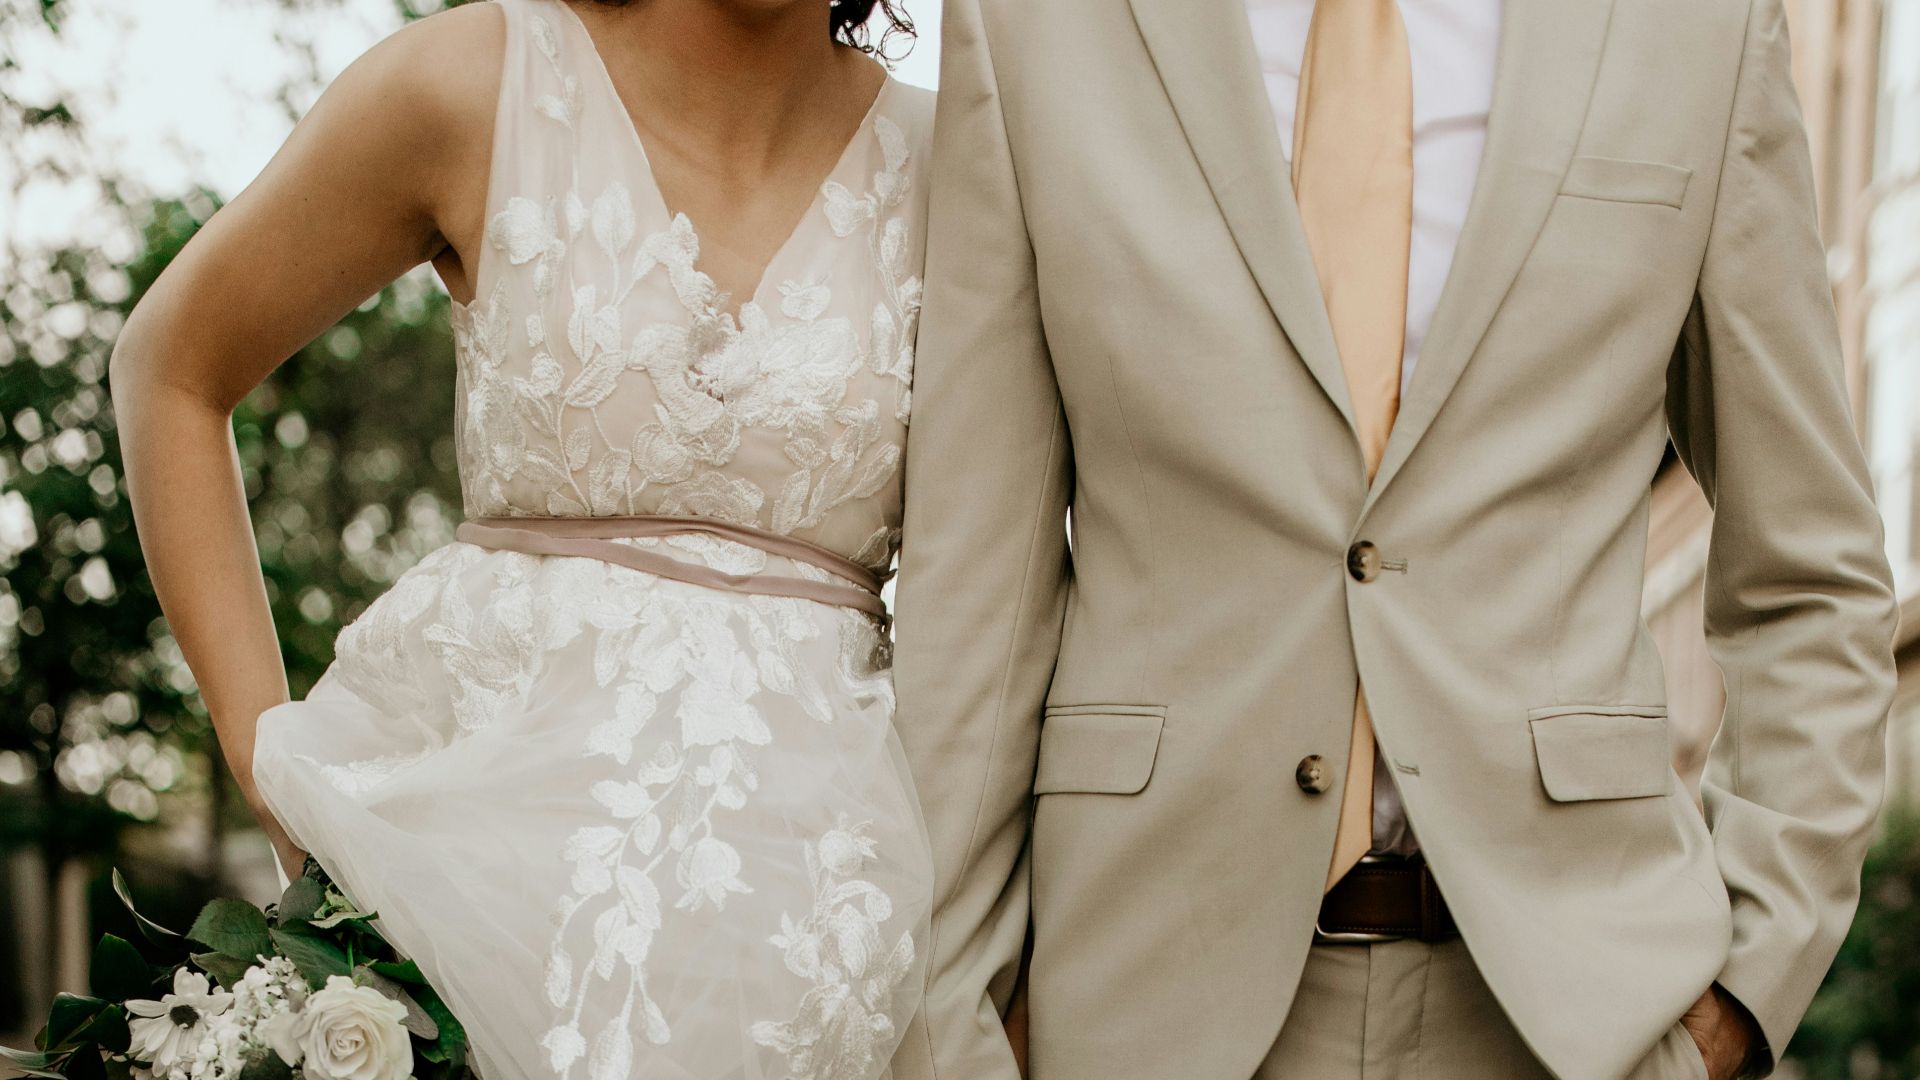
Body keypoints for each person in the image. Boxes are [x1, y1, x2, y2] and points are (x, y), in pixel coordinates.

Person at [889, 0, 1899, 1077]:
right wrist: (951, 1023)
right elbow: (975, 603)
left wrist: (1742, 993)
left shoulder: (1699, 25)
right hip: (1148, 1001)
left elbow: (1810, 575)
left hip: (1578, 1016)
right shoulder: (1035, 25)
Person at [110, 1, 935, 1076]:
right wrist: (264, 752)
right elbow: (171, 368)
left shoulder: (958, 161)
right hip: (463, 883)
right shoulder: (473, 78)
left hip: (830, 917)